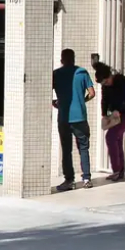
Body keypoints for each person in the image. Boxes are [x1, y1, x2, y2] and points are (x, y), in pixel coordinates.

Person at [52, 48, 96, 192]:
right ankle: (86, 178)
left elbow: (46, 92)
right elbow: (92, 93)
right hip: (80, 117)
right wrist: (82, 101)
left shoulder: (56, 74)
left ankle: (69, 180)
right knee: (83, 147)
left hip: (64, 117)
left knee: (66, 149)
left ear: (62, 59)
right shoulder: (82, 72)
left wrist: (57, 103)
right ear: (74, 58)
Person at [93, 61, 125, 181]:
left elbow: (124, 98)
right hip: (116, 115)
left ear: (109, 76)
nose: (106, 84)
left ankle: (117, 170)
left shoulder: (120, 81)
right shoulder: (106, 86)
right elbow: (104, 101)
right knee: (117, 139)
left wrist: (119, 109)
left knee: (111, 137)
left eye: (106, 81)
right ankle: (119, 170)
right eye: (103, 83)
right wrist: (104, 114)